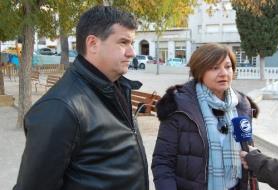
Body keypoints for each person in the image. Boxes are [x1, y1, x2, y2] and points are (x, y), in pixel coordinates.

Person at [14, 6, 149, 190]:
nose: (132, 52)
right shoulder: (61, 108)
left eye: (132, 43)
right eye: (123, 42)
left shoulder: (116, 87)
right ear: (93, 43)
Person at [151, 43, 259, 190]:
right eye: (214, 68)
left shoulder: (241, 105)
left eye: (227, 67)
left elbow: (248, 152)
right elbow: (163, 162)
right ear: (199, 71)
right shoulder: (179, 106)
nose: (224, 73)